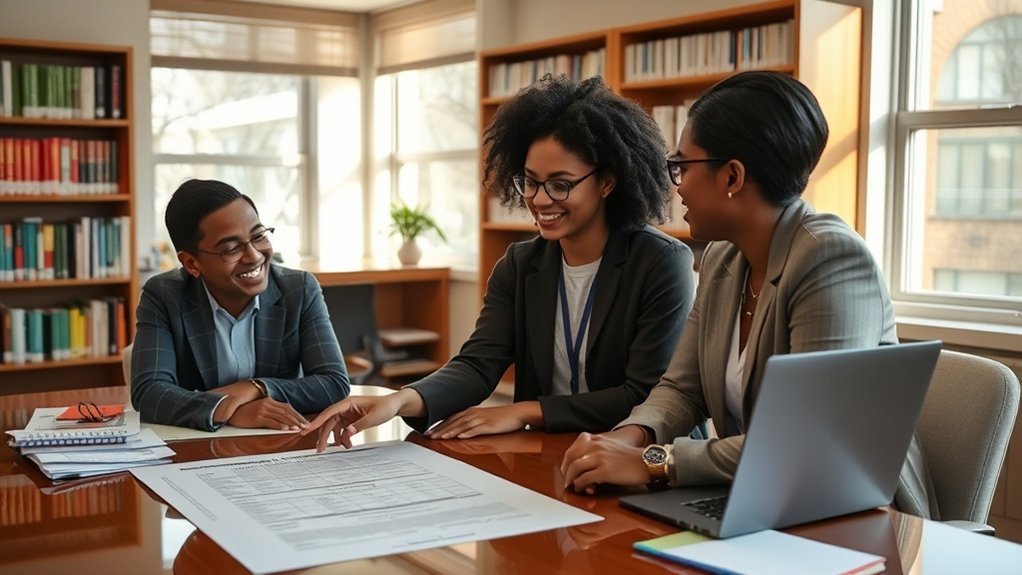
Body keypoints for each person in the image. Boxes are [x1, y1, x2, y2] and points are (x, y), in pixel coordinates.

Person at [559, 71, 936, 518]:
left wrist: (656, 462)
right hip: (756, 497)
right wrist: (627, 438)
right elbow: (682, 389)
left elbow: (806, 445)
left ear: (732, 176)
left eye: (682, 166)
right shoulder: (723, 258)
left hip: (854, 514)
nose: (677, 185)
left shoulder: (830, 259)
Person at [303, 74, 696, 449]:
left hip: (643, 455)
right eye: (530, 181)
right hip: (553, 449)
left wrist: (524, 410)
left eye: (560, 184)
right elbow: (477, 365)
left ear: (607, 182)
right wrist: (400, 400)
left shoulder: (661, 262)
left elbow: (644, 395)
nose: (540, 199)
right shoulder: (521, 264)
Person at [131, 179, 350, 431]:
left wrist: (254, 388)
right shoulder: (164, 295)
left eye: (258, 236)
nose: (254, 256)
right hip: (199, 445)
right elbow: (148, 393)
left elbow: (333, 382)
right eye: (231, 248)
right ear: (191, 263)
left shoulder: (299, 289)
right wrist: (225, 409)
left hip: (281, 439)